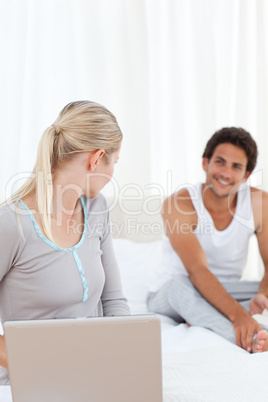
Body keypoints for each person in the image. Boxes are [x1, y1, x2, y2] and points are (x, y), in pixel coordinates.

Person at [0, 100, 130, 384]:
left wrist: (122, 355)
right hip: (28, 380)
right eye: (114, 162)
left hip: (92, 372)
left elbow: (113, 299)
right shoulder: (11, 223)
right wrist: (25, 359)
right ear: (96, 159)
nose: (112, 174)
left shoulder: (97, 209)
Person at [147, 127, 268, 353]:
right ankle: (250, 337)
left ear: (246, 175)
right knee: (176, 287)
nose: (225, 173)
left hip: (225, 291)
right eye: (220, 162)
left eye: (236, 167)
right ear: (206, 163)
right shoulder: (180, 204)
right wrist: (240, 317)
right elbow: (197, 271)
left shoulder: (259, 204)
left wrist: (262, 293)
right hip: (176, 292)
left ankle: (202, 315)